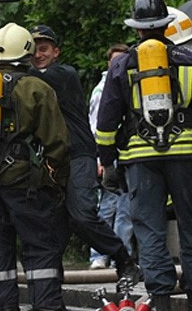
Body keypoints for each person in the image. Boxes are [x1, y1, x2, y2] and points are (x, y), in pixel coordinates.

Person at [0, 22, 70, 311]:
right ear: (27, 52)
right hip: (26, 186)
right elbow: (57, 143)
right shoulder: (37, 89)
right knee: (40, 250)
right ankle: (46, 307)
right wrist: (56, 185)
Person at [96, 0, 192, 311]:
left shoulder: (122, 64)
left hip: (140, 159)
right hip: (186, 156)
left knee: (149, 230)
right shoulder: (188, 59)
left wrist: (108, 162)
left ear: (137, 28)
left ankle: (161, 299)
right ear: (166, 25)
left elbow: (107, 120)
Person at [28, 25, 141, 289]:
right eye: (33, 50)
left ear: (56, 52)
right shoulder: (30, 80)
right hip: (50, 159)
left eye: (43, 49)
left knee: (81, 215)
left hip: (78, 154)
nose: (38, 55)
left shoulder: (62, 75)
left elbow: (26, 80)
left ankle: (123, 259)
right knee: (52, 226)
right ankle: (49, 294)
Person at [88, 44, 134, 270]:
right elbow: (95, 125)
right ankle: (100, 255)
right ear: (108, 63)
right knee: (107, 209)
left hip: (124, 153)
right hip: (109, 155)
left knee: (124, 211)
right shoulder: (102, 90)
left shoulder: (126, 83)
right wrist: (99, 159)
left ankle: (121, 256)